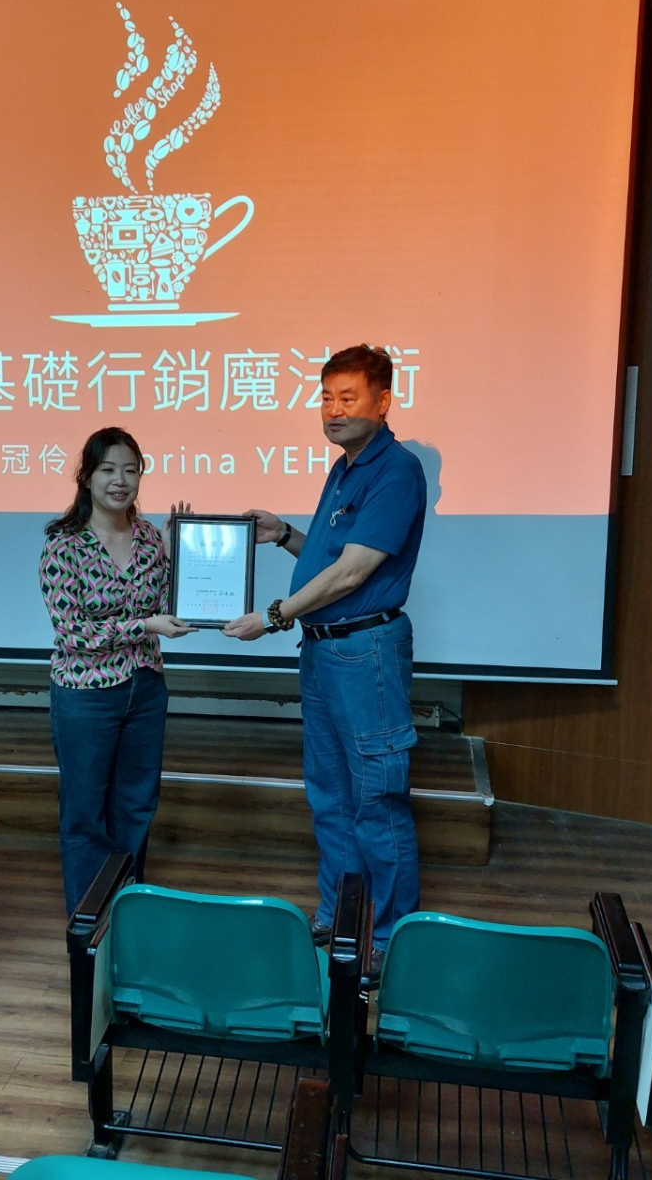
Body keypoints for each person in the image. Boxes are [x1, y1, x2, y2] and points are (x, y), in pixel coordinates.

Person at [223, 345, 426, 972]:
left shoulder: (397, 471)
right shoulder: (345, 467)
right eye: (326, 398)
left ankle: (387, 938)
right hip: (325, 651)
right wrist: (285, 535)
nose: (334, 410)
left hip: (364, 653)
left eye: (348, 398)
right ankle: (342, 912)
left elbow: (355, 573)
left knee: (376, 798)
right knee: (331, 793)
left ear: (383, 401)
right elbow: (333, 560)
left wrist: (274, 615)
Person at [39, 427, 194, 914]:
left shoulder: (149, 540)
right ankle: (90, 922)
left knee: (137, 804)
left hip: (145, 686)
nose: (120, 481)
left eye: (130, 470)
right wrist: (143, 625)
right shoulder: (64, 545)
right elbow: (73, 632)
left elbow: (170, 605)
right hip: (86, 694)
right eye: (108, 469)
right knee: (85, 810)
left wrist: (182, 554)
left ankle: (127, 908)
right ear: (86, 477)